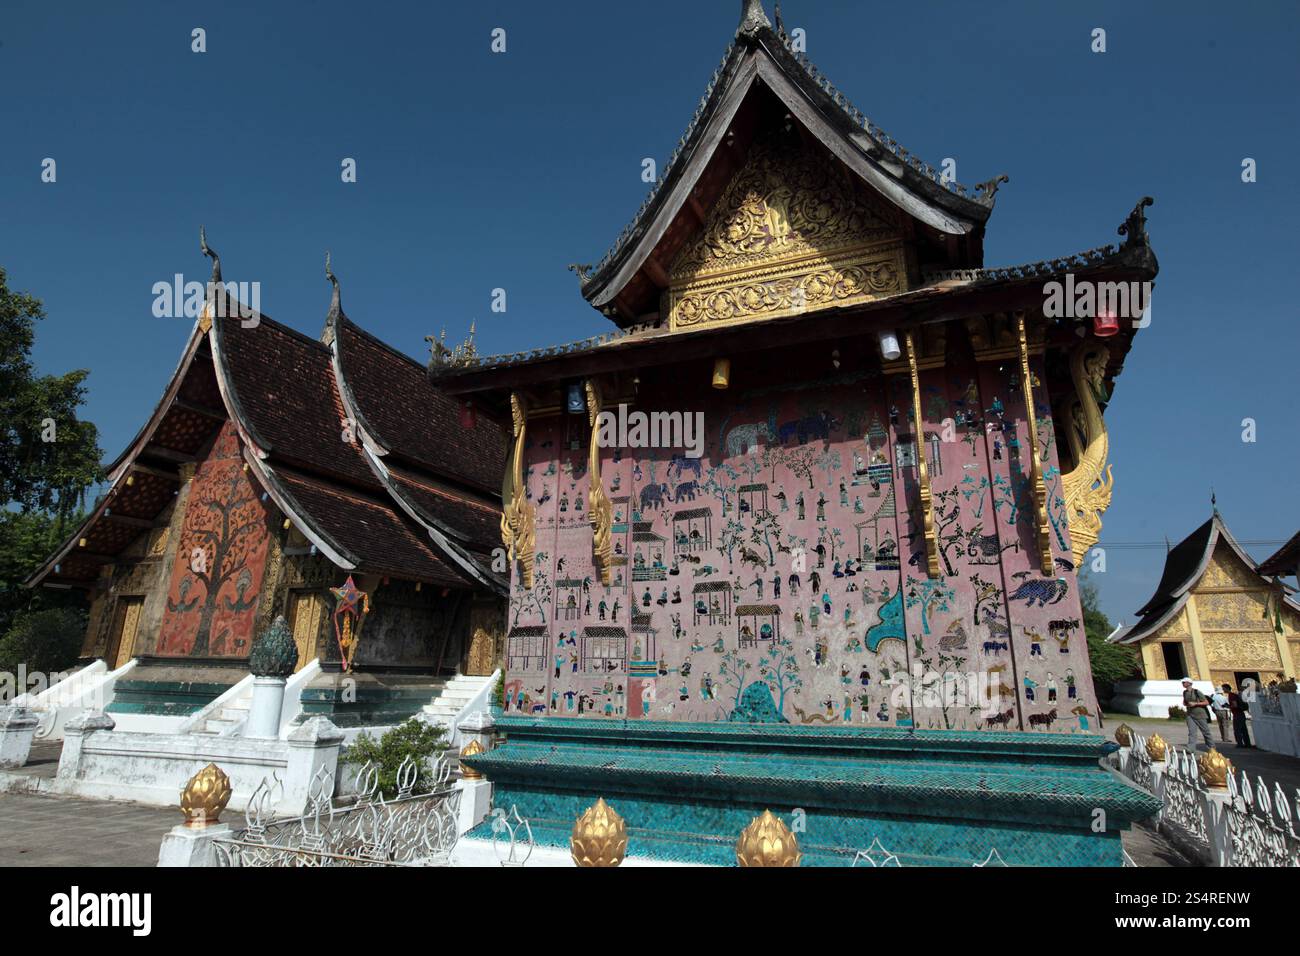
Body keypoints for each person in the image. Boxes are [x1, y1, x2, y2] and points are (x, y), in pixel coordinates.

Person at [1181, 677, 1213, 751]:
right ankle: (1191, 748)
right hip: (1190, 714)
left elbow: (1206, 702)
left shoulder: (1197, 692)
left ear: (1189, 683)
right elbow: (1185, 702)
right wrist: (1186, 704)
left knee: (1206, 732)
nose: (1183, 684)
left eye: (1184, 682)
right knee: (1192, 732)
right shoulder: (1185, 692)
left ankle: (1211, 748)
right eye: (1183, 682)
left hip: (1200, 714)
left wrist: (1195, 704)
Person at [1228, 682, 1253, 748]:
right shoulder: (1238, 694)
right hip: (1241, 713)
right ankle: (1247, 743)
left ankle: (1240, 743)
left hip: (1237, 714)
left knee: (1238, 730)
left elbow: (1235, 705)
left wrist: (1229, 707)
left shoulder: (1232, 695)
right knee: (1244, 730)